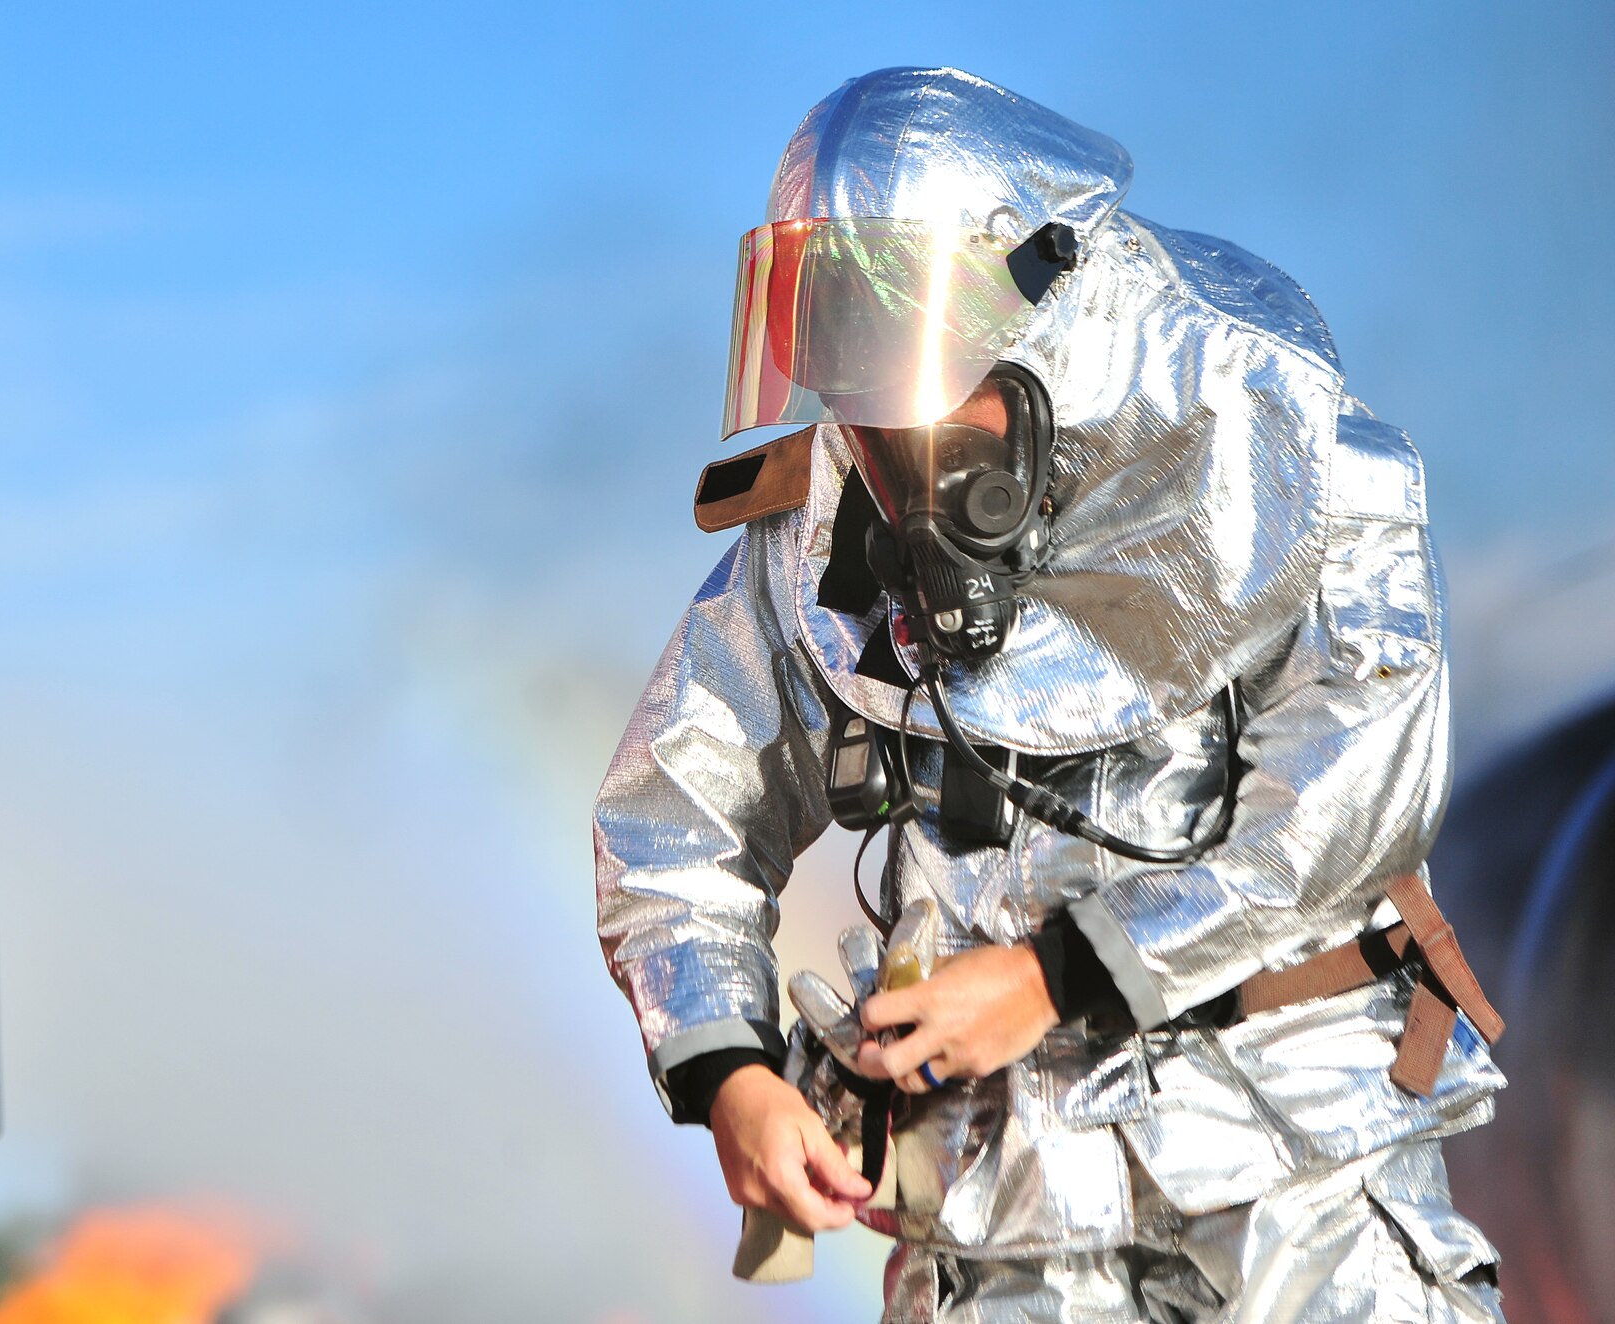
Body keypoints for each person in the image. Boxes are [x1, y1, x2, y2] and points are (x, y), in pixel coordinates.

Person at [593, 67, 1508, 1322]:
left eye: (921, 403)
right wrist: (730, 1075)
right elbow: (670, 821)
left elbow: (1339, 817)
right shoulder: (816, 531)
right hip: (999, 1210)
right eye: (855, 409)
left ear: (1034, 314)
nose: (888, 456)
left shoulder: (1287, 457)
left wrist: (1051, 979)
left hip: (1299, 1180)